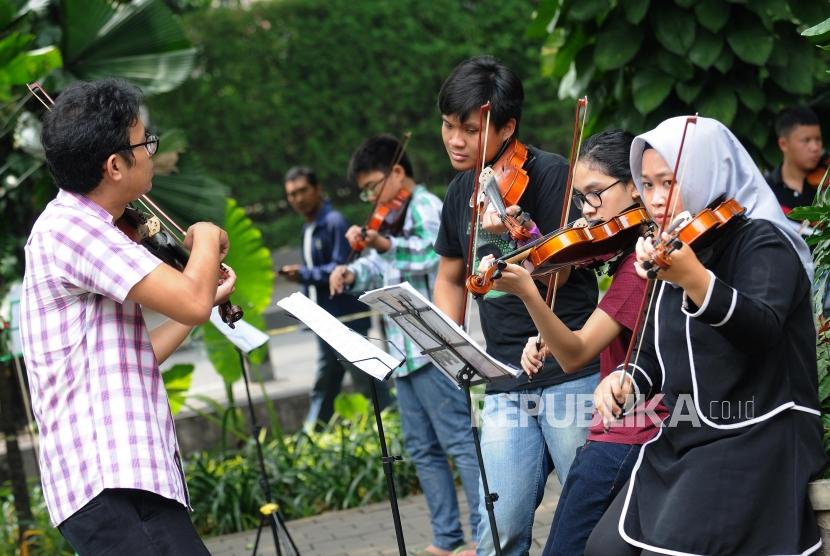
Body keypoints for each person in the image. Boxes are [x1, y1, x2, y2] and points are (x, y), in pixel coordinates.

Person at [586, 116, 824, 555]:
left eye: (668, 182)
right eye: (648, 184)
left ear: (706, 171)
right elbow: (652, 351)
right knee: (603, 549)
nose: (656, 200)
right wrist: (627, 379)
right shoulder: (674, 248)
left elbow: (762, 329)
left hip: (758, 432)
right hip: (687, 433)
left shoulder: (764, 241)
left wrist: (695, 280)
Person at [19, 79, 236, 555]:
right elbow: (191, 299)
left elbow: (136, 356)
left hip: (120, 483)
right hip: (109, 483)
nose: (152, 152)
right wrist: (202, 238)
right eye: (146, 142)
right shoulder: (75, 231)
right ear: (115, 165)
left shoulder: (88, 227)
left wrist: (200, 301)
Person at [432, 55, 601, 556]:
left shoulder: (552, 177)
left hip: (570, 371)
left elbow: (563, 269)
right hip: (503, 378)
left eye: (469, 128)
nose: (454, 140)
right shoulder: (460, 190)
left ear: (507, 126)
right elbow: (451, 276)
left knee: (584, 516)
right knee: (500, 525)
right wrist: (451, 343)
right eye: (447, 125)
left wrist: (513, 232)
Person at [481, 130, 666, 555]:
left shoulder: (644, 266)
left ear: (637, 188)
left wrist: (530, 293)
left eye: (595, 194)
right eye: (581, 198)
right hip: (622, 431)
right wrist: (545, 331)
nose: (585, 213)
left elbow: (577, 352)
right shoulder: (631, 258)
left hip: (630, 434)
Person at [329, 134, 480, 556]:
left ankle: (486, 538)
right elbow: (381, 270)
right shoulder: (388, 220)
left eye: (374, 185)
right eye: (365, 191)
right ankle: (447, 539)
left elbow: (437, 260)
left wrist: (385, 245)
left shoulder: (428, 206)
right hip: (403, 354)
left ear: (397, 172)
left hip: (435, 349)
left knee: (460, 445)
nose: (372, 197)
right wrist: (351, 273)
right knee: (423, 451)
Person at [279, 166, 389, 429]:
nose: (298, 199)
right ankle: (314, 432)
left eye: (303, 191)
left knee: (363, 377)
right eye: (292, 194)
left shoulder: (333, 222)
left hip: (345, 318)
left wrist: (304, 274)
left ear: (318, 190)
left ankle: (390, 419)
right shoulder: (310, 227)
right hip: (325, 320)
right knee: (329, 379)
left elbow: (342, 269)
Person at [765, 105, 823, 215]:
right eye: (806, 140)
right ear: (783, 144)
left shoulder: (826, 183)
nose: (815, 147)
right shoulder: (767, 190)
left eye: (818, 139)